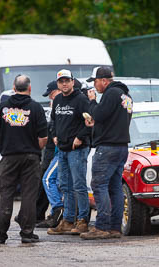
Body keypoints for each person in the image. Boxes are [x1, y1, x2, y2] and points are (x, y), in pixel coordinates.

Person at [0, 75, 48, 244]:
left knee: (6, 194)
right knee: (29, 195)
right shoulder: (36, 108)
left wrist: (6, 144)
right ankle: (27, 233)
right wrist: (33, 148)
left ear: (14, 87)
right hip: (31, 157)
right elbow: (43, 138)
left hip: (9, 156)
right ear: (29, 88)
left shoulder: (3, 107)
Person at [80, 67, 133, 240]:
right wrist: (96, 124)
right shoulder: (126, 96)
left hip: (108, 148)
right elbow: (110, 120)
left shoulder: (111, 94)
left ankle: (102, 226)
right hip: (121, 147)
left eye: (94, 82)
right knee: (115, 187)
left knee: (99, 185)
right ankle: (115, 228)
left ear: (104, 80)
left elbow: (99, 114)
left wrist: (93, 102)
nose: (94, 86)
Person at [48, 69, 91, 235]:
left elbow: (89, 120)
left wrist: (80, 137)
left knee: (79, 185)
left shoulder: (81, 99)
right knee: (65, 185)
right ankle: (67, 220)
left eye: (67, 80)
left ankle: (83, 221)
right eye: (61, 81)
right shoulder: (58, 99)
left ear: (73, 82)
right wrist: (54, 135)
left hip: (77, 149)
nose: (64, 84)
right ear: (58, 84)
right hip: (62, 149)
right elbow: (53, 120)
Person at [36, 81, 64, 229]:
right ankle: (56, 213)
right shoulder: (56, 106)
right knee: (56, 182)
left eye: (51, 94)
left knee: (48, 179)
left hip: (62, 151)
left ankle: (58, 211)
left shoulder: (63, 105)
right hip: (55, 151)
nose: (50, 98)